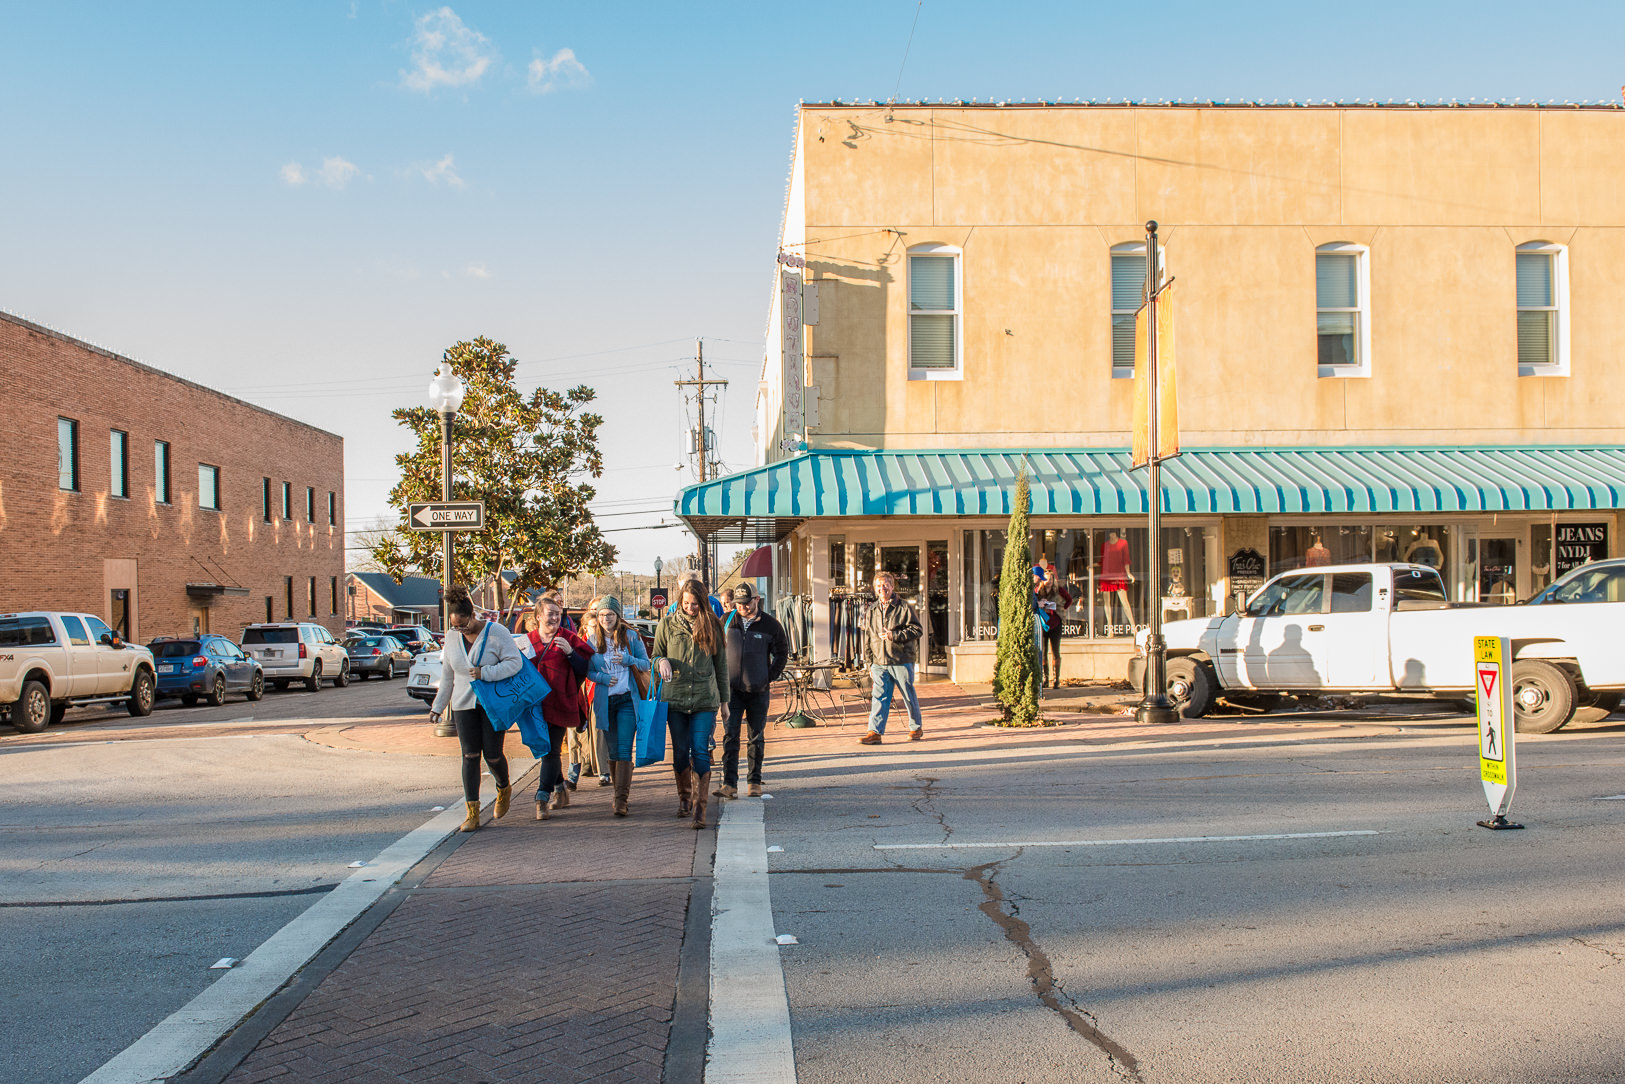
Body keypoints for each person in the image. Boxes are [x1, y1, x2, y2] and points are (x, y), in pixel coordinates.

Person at [428, 586, 522, 833]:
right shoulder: (451, 637)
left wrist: (485, 673)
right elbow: (448, 675)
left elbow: (515, 663)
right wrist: (438, 707)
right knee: (469, 755)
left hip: (491, 702)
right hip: (463, 704)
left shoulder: (497, 632)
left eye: (463, 625)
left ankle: (504, 787)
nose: (460, 630)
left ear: (473, 615)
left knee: (492, 754)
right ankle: (472, 813)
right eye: (455, 626)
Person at [652, 577, 729, 829]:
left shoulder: (713, 625)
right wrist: (661, 661)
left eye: (695, 604)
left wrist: (725, 702)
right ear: (680, 601)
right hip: (675, 698)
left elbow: (721, 666)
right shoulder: (667, 624)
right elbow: (655, 655)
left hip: (704, 699)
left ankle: (700, 808)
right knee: (680, 751)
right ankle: (684, 797)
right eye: (686, 603)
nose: (690, 608)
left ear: (702, 603)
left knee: (700, 749)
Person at [518, 595, 594, 820]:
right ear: (538, 616)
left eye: (558, 614)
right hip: (534, 706)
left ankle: (541, 798)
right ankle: (560, 789)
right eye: (550, 614)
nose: (554, 618)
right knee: (545, 750)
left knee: (550, 751)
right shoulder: (526, 642)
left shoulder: (568, 638)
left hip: (560, 702)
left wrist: (570, 652)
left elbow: (584, 668)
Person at [717, 582, 789, 800]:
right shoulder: (726, 620)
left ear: (757, 600)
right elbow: (715, 650)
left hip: (758, 690)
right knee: (730, 735)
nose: (742, 607)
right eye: (739, 603)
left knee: (756, 737)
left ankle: (754, 781)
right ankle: (729, 783)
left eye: (747, 603)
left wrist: (769, 676)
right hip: (731, 690)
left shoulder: (770, 625)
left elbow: (782, 652)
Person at [582, 596, 650, 817]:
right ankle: (617, 792)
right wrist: (602, 678)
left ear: (618, 616)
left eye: (610, 614)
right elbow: (588, 671)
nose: (606, 619)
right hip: (605, 701)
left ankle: (620, 800)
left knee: (624, 749)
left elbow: (646, 663)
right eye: (602, 615)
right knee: (612, 751)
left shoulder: (631, 636)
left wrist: (629, 660)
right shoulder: (592, 640)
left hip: (627, 700)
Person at [859, 571, 923, 744]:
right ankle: (874, 732)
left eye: (885, 585)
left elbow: (917, 630)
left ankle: (916, 728)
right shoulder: (872, 609)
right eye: (878, 586)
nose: (882, 589)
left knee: (908, 695)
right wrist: (869, 663)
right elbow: (868, 637)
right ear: (875, 588)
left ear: (892, 586)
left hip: (901, 660)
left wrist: (893, 635)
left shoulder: (904, 607)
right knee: (879, 697)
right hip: (879, 662)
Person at [568, 604, 612, 790]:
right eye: (593, 627)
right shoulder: (576, 645)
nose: (596, 630)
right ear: (585, 628)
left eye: (598, 626)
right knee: (574, 734)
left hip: (596, 691)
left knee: (599, 731)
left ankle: (604, 772)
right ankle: (573, 775)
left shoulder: (602, 645)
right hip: (578, 692)